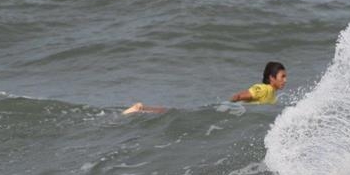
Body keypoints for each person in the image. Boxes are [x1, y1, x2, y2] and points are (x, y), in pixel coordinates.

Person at [121, 61, 287, 114]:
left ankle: (143, 109)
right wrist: (226, 106)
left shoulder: (272, 93)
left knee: (178, 112)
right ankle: (141, 108)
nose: (285, 80)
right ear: (271, 78)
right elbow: (238, 96)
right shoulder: (263, 89)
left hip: (228, 110)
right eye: (282, 77)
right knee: (176, 113)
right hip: (225, 110)